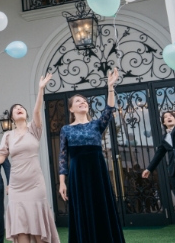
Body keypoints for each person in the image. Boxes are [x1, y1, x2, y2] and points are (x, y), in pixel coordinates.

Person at [0, 74, 60, 243]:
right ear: (12, 117)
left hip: (35, 183)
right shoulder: (8, 135)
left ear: (26, 113)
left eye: (21, 107)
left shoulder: (34, 129)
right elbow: (1, 157)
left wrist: (41, 89)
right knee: (21, 227)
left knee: (37, 228)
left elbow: (37, 111)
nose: (19, 108)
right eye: (15, 108)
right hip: (16, 186)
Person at [58, 68, 125, 243]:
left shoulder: (96, 125)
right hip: (78, 175)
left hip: (97, 172)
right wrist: (62, 182)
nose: (83, 102)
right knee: (81, 208)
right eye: (78, 101)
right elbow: (63, 157)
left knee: (100, 205)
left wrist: (110, 87)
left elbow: (109, 109)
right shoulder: (66, 129)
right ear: (71, 109)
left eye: (84, 101)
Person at [142, 109, 175, 202]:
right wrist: (149, 169)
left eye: (171, 116)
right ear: (164, 123)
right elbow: (158, 155)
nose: (168, 118)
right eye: (165, 117)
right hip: (174, 171)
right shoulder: (164, 138)